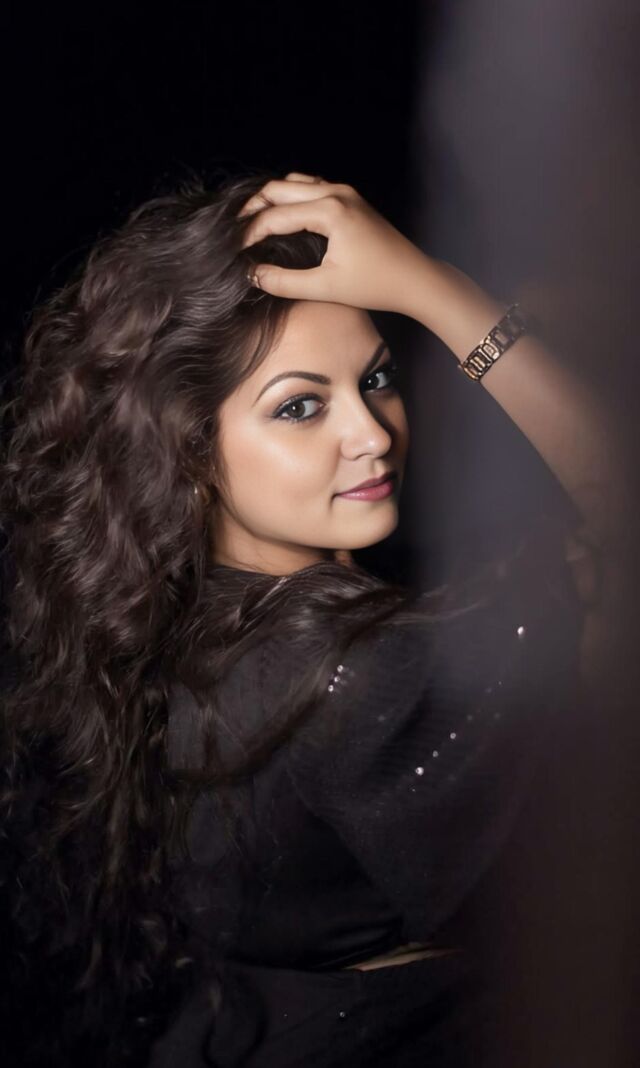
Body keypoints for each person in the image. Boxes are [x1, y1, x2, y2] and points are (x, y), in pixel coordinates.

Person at [0, 170, 622, 1067]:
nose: (372, 433)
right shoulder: (353, 673)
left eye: (376, 379)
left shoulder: (145, 628)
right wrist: (439, 291)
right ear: (188, 451)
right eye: (300, 406)